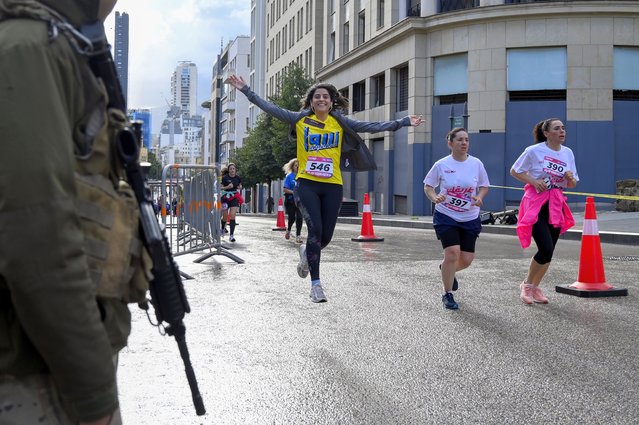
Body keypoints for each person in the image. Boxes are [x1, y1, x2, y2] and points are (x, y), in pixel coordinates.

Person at [0, 1, 152, 425]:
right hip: (34, 373)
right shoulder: (29, 48)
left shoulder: (57, 41)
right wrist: (94, 395)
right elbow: (36, 239)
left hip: (48, 362)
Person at [228, 74, 425, 303]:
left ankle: (305, 254)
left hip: (332, 185)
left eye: (325, 96)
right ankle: (316, 285)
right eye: (317, 97)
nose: (321, 99)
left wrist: (402, 122)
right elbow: (269, 107)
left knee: (326, 237)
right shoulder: (299, 120)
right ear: (311, 102)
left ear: (332, 102)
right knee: (315, 231)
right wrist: (246, 90)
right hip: (307, 184)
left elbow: (371, 126)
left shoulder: (340, 122)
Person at [510, 118, 578, 305]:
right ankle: (526, 285)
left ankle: (535, 287)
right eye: (557, 128)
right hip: (536, 202)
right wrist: (533, 181)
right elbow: (515, 171)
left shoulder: (568, 152)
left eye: (563, 128)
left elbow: (572, 183)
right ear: (546, 133)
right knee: (545, 247)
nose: (562, 131)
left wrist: (570, 178)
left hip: (556, 203)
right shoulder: (534, 151)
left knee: (550, 251)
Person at [423, 128, 490, 310]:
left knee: (466, 259)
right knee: (452, 253)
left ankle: (446, 269)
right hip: (446, 215)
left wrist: (480, 197)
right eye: (459, 140)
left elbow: (484, 186)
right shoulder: (441, 164)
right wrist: (435, 197)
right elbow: (428, 186)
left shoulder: (476, 163)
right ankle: (447, 293)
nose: (464, 143)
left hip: (470, 216)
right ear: (450, 143)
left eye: (466, 139)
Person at [282, 158, 304, 243]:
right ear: (292, 166)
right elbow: (285, 189)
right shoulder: (289, 176)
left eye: (299, 165)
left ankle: (298, 236)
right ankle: (288, 229)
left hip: (300, 201)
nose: (297, 167)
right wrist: (294, 192)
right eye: (295, 165)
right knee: (292, 217)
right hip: (291, 201)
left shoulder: (302, 177)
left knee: (299, 217)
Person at [220, 163, 243, 242]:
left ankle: (231, 235)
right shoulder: (225, 178)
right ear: (228, 170)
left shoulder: (238, 178)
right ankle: (222, 228)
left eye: (234, 169)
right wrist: (227, 187)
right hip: (225, 197)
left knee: (232, 215)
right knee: (225, 216)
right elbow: (220, 187)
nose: (232, 170)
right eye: (231, 169)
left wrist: (240, 187)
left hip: (234, 197)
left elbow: (240, 186)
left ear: (235, 170)